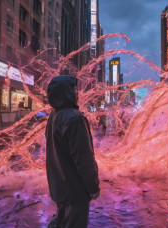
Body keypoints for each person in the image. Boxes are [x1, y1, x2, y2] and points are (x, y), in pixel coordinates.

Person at [46, 76, 100, 228]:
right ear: (66, 92)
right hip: (75, 189)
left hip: (59, 186)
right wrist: (93, 187)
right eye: (74, 89)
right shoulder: (75, 119)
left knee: (61, 221)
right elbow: (84, 159)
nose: (77, 93)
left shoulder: (53, 116)